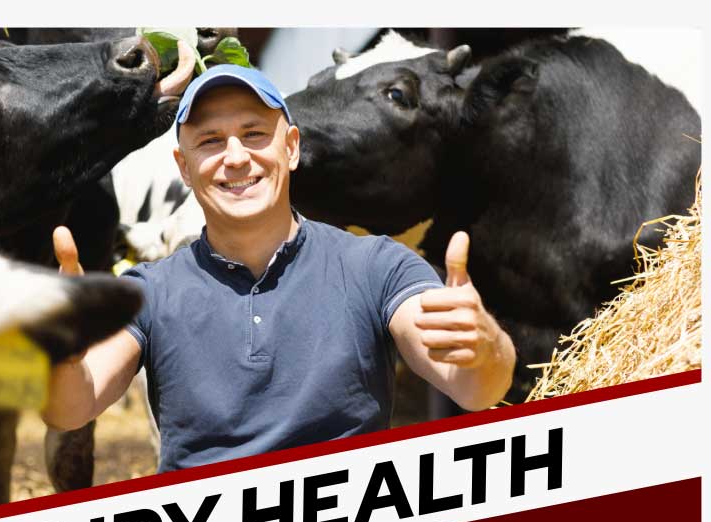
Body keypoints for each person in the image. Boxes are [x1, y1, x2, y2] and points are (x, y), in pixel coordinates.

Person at [42, 64, 515, 473]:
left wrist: (485, 346)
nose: (235, 157)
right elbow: (70, 408)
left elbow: (475, 388)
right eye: (210, 141)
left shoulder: (375, 265)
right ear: (184, 167)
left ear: (291, 147)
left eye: (253, 134)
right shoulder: (149, 290)